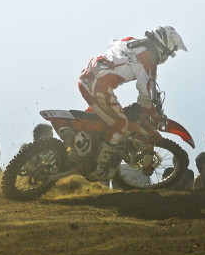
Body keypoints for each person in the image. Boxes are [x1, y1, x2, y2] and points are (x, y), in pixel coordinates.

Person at [78, 25, 187, 178]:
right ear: (165, 46)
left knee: (108, 118)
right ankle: (98, 166)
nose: (168, 57)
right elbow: (145, 94)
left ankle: (89, 146)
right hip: (98, 87)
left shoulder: (130, 41)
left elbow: (112, 43)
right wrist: (152, 112)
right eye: (170, 53)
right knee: (121, 124)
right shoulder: (149, 61)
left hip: (86, 78)